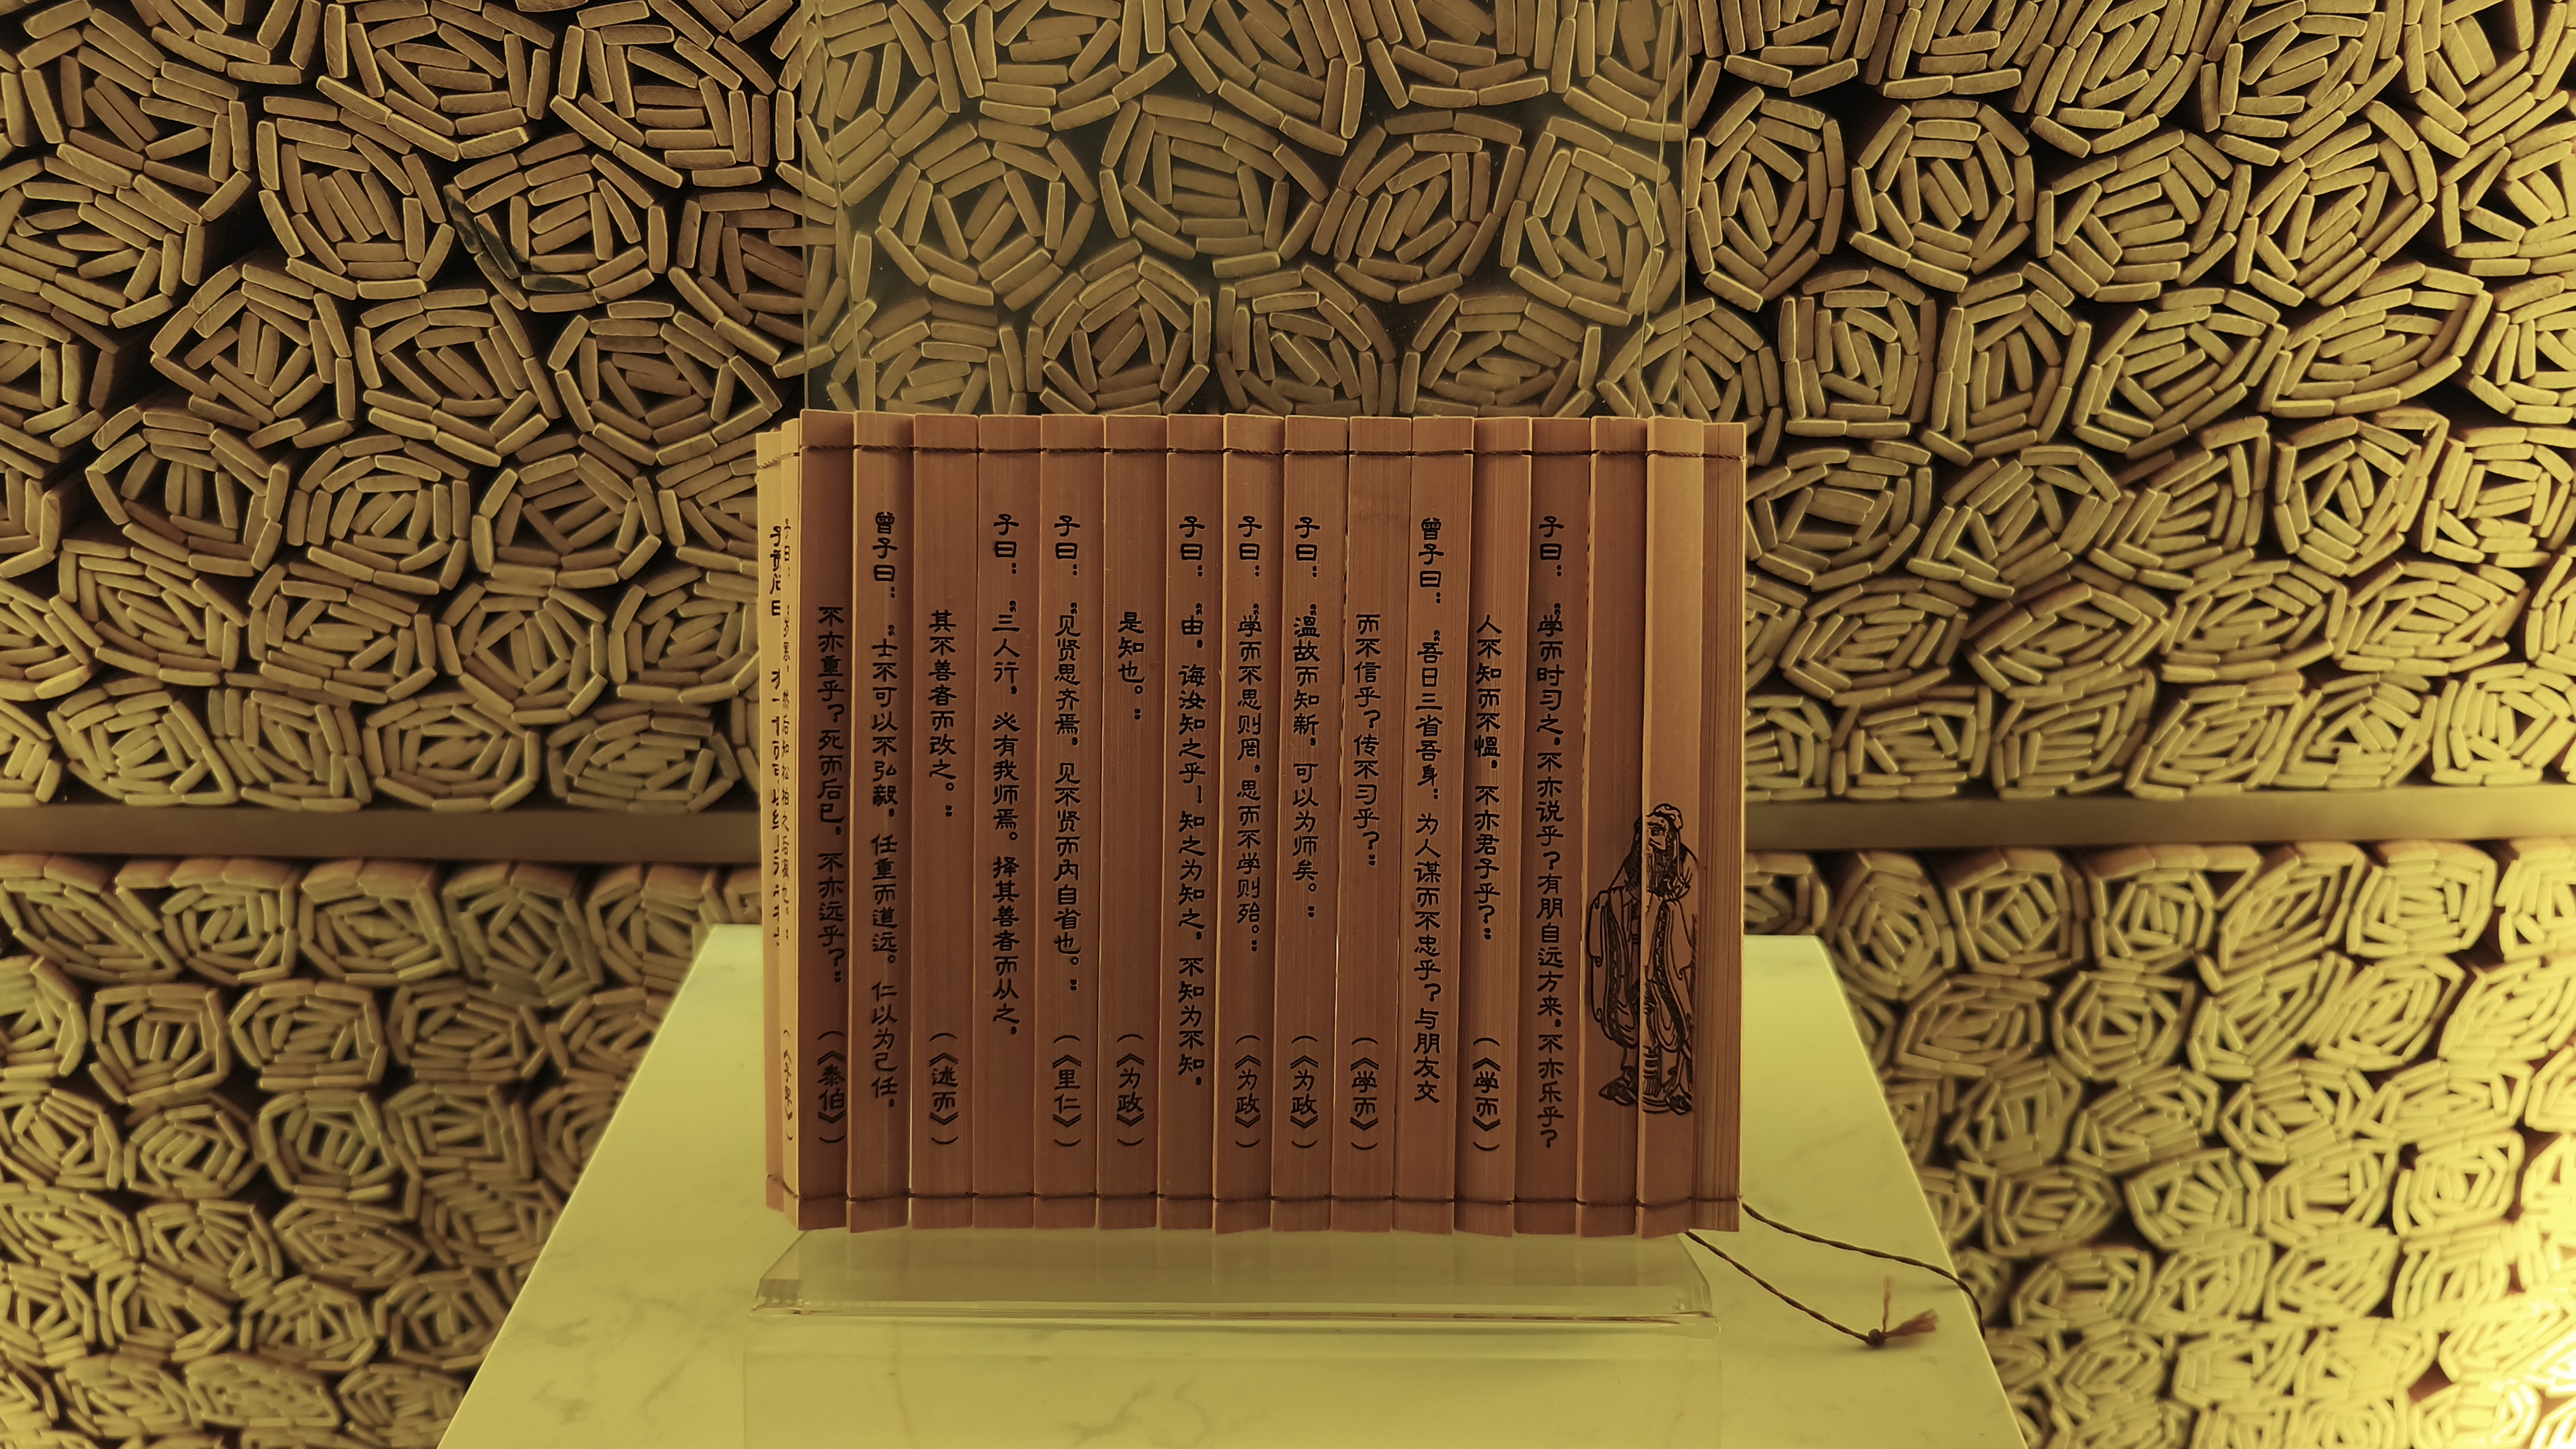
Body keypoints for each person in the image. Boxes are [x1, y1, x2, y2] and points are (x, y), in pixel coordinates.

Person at [1584, 803, 1698, 1115]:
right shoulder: (1636, 862)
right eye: (1646, 832)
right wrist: (1615, 902)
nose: (1651, 839)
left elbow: (1692, 912)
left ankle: (1678, 1086)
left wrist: (1668, 907)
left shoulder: (1686, 865)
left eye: (1658, 832)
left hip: (1669, 960)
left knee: (1671, 1022)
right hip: (1636, 957)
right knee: (1635, 1015)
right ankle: (1634, 1080)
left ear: (1672, 837)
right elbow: (1618, 894)